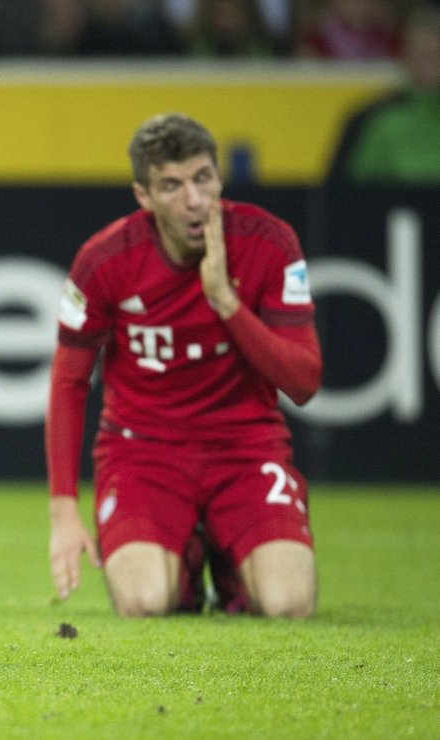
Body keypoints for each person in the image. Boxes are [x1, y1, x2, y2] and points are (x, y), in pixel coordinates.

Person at [46, 113, 321, 618]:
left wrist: (226, 303)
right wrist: (64, 512)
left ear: (218, 177)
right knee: (144, 601)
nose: (194, 200)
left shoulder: (269, 243)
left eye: (202, 179)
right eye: (171, 186)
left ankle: (232, 563)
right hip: (142, 455)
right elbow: (68, 381)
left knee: (289, 604)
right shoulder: (107, 259)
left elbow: (303, 382)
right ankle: (189, 561)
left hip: (245, 448)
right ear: (143, 196)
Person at [327, 5, 440, 185]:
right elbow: (345, 197)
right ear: (405, 55)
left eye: (434, 56)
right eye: (421, 54)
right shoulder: (371, 119)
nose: (428, 65)